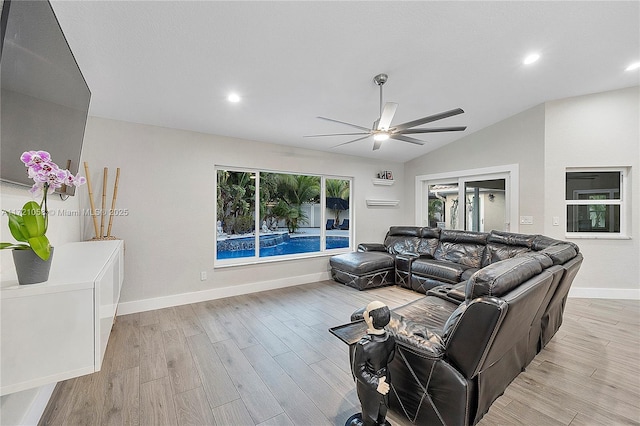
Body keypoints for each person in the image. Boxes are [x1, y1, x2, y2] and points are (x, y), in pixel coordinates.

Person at [347, 301, 396, 426]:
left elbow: (358, 371)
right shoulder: (390, 337)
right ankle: (381, 422)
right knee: (382, 404)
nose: (364, 313)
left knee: (369, 407)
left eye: (366, 311)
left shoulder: (363, 345)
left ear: (370, 319)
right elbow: (390, 357)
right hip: (385, 377)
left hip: (369, 384)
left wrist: (375, 383)